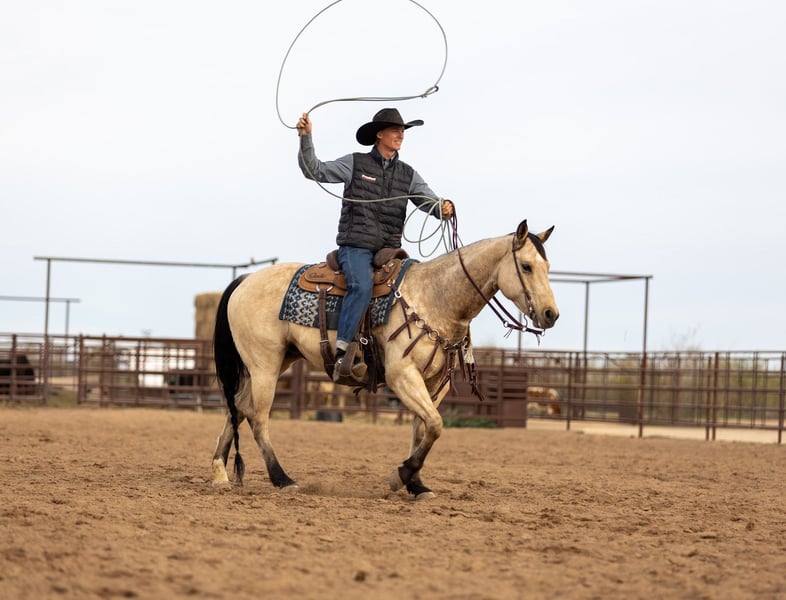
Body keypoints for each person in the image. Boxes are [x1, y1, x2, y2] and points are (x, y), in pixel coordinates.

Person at [296, 107, 454, 382]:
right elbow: (315, 170)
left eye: (402, 131)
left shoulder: (408, 175)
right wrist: (306, 137)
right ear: (379, 134)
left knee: (414, 289)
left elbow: (430, 202)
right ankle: (343, 350)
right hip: (355, 246)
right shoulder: (355, 163)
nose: (400, 135)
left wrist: (443, 208)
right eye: (395, 130)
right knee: (361, 285)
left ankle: (390, 351)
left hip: (389, 251)